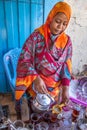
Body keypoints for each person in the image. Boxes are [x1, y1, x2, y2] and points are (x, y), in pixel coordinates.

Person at [15, 1, 72, 118]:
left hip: (55, 90)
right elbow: (24, 60)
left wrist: (66, 88)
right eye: (57, 21)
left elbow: (66, 65)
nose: (60, 27)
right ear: (51, 17)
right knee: (35, 116)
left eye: (65, 24)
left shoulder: (66, 41)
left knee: (51, 116)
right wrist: (35, 77)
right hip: (36, 87)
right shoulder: (36, 36)